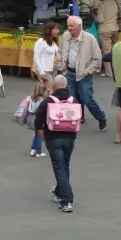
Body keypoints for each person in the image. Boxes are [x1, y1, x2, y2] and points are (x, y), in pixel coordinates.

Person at [34, 75, 77, 213]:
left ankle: (67, 200)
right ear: (66, 86)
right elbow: (79, 119)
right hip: (69, 138)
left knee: (59, 168)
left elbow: (37, 123)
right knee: (64, 166)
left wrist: (45, 138)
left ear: (53, 86)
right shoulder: (73, 101)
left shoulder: (48, 101)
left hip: (53, 138)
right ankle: (59, 192)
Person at [57, 16, 106, 131]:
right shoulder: (65, 36)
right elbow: (60, 52)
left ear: (79, 26)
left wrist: (88, 71)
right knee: (72, 98)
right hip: (69, 72)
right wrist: (60, 65)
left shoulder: (90, 38)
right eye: (68, 25)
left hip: (84, 74)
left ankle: (101, 117)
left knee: (87, 98)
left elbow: (97, 59)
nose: (69, 28)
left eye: (71, 26)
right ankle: (78, 118)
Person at [93, 0, 119, 78]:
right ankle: (118, 69)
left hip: (104, 30)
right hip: (115, 28)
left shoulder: (102, 4)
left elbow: (100, 19)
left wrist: (94, 15)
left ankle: (109, 72)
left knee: (107, 51)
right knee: (117, 50)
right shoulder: (114, 2)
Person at [18, 82, 48, 158]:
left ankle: (33, 149)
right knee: (40, 136)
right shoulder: (43, 101)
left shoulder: (31, 99)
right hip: (38, 121)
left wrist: (22, 120)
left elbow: (25, 111)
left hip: (31, 120)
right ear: (43, 91)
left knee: (36, 135)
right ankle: (38, 152)